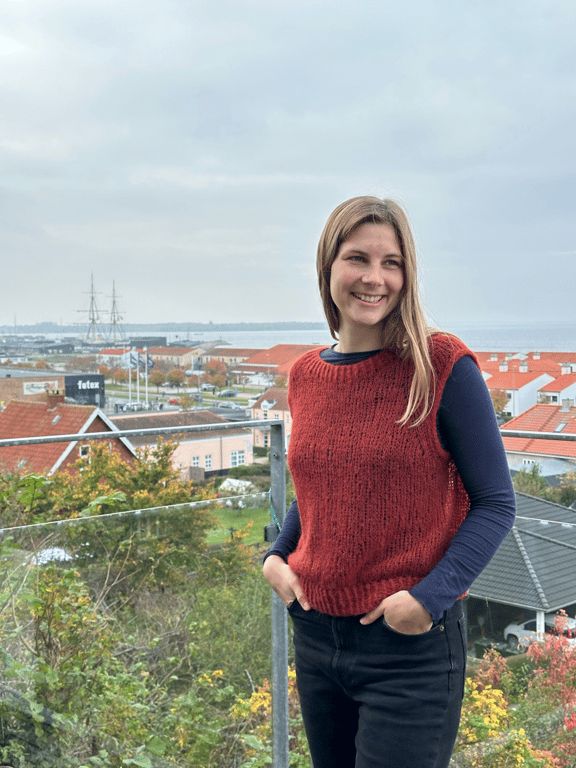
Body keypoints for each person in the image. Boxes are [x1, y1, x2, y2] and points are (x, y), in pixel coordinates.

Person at [262, 196, 515, 768]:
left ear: (409, 273)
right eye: (358, 259)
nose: (375, 278)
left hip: (408, 647)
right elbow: (321, 488)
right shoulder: (305, 374)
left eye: (392, 262)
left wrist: (428, 600)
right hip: (316, 636)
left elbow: (496, 503)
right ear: (328, 268)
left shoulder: (442, 364)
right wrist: (276, 557)